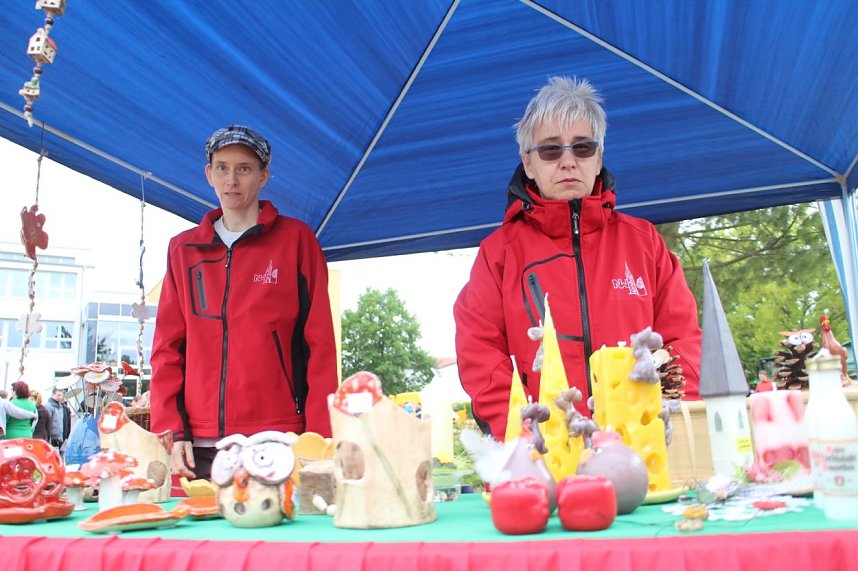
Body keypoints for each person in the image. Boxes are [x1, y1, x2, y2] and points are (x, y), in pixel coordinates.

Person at [453, 77, 702, 440]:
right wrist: (526, 434)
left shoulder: (645, 242)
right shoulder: (499, 253)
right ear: (529, 163)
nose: (568, 161)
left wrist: (664, 421)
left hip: (644, 447)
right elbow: (479, 354)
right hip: (546, 458)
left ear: (598, 158)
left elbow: (684, 344)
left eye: (582, 148)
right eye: (551, 150)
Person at [151, 125, 339, 480]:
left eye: (244, 168)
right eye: (221, 167)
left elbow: (320, 345)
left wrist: (319, 438)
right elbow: (167, 348)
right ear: (209, 174)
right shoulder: (183, 249)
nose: (231, 180)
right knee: (202, 535)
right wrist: (171, 429)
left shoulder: (297, 241)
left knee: (282, 535)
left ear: (263, 176)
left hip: (279, 438)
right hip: (201, 445)